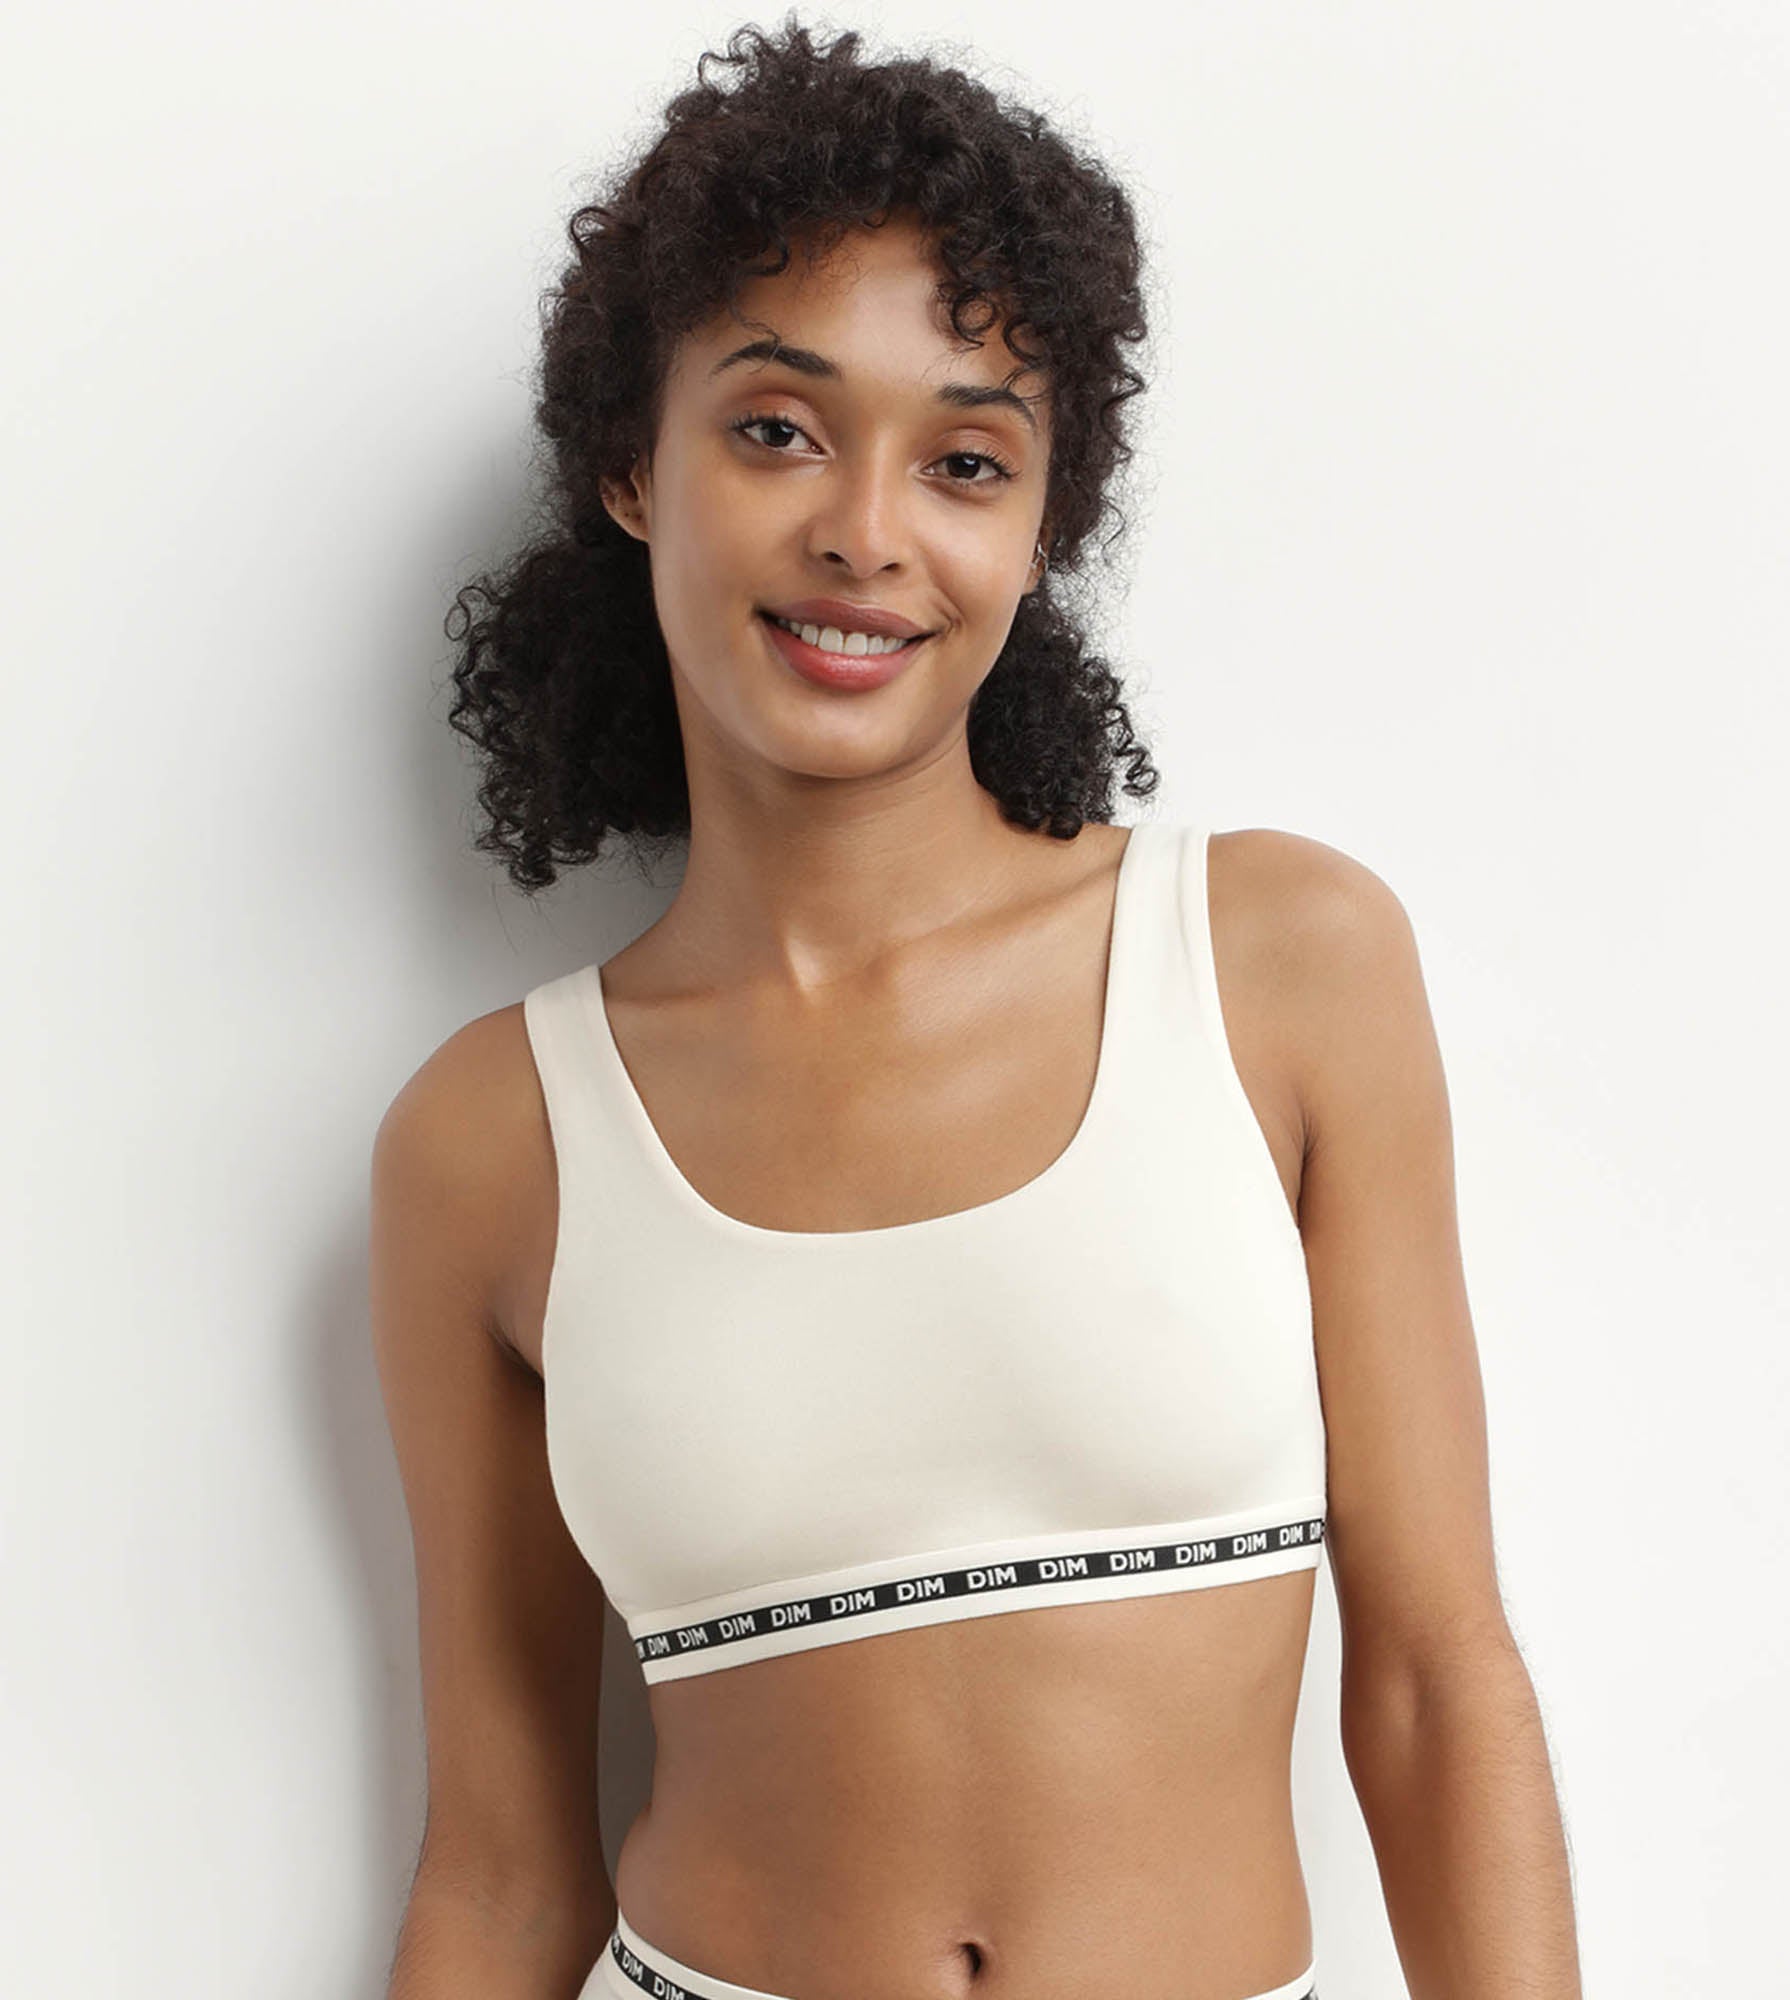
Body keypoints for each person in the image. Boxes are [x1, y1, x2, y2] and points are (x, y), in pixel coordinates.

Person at [371, 18, 1582, 2000]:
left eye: (964, 460)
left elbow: (1441, 1689)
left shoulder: (1278, 965)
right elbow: (502, 1878)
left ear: (1036, 530)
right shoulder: (491, 1142)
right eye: (777, 428)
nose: (867, 530)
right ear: (632, 466)